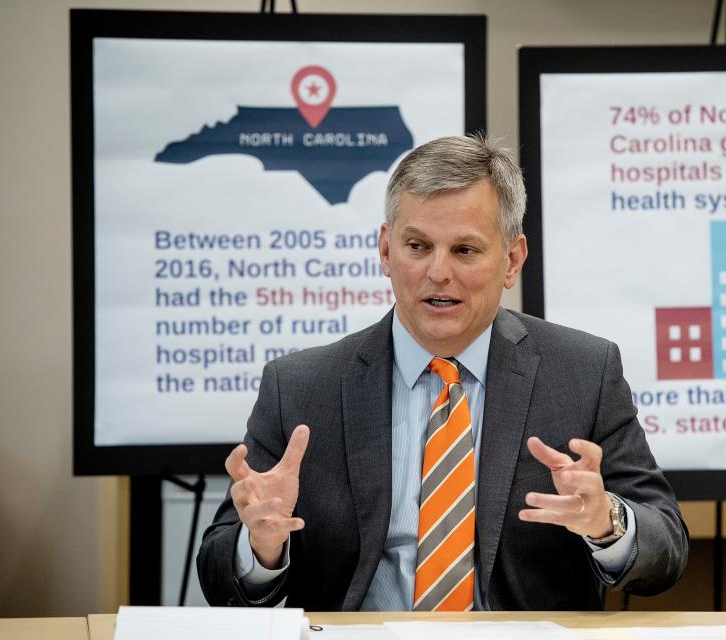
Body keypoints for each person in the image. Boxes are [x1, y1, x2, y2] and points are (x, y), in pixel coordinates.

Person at [197, 135, 688, 611]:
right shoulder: (301, 386)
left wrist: (606, 524)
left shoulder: (583, 373)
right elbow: (219, 576)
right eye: (417, 246)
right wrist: (260, 547)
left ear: (512, 260)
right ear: (386, 251)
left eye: (465, 250)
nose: (437, 272)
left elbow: (666, 551)